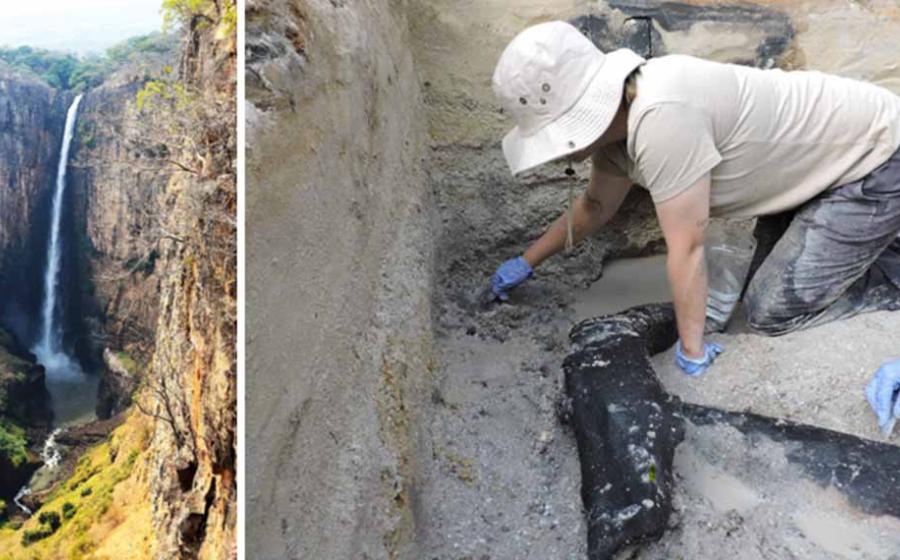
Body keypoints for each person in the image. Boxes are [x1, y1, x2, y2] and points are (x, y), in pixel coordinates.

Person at [489, 21, 900, 433]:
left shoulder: (661, 120)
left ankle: (888, 274)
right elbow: (595, 206)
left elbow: (686, 249)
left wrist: (692, 350)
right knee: (758, 287)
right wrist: (526, 262)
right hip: (815, 174)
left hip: (876, 159)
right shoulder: (620, 129)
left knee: (770, 312)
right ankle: (859, 242)